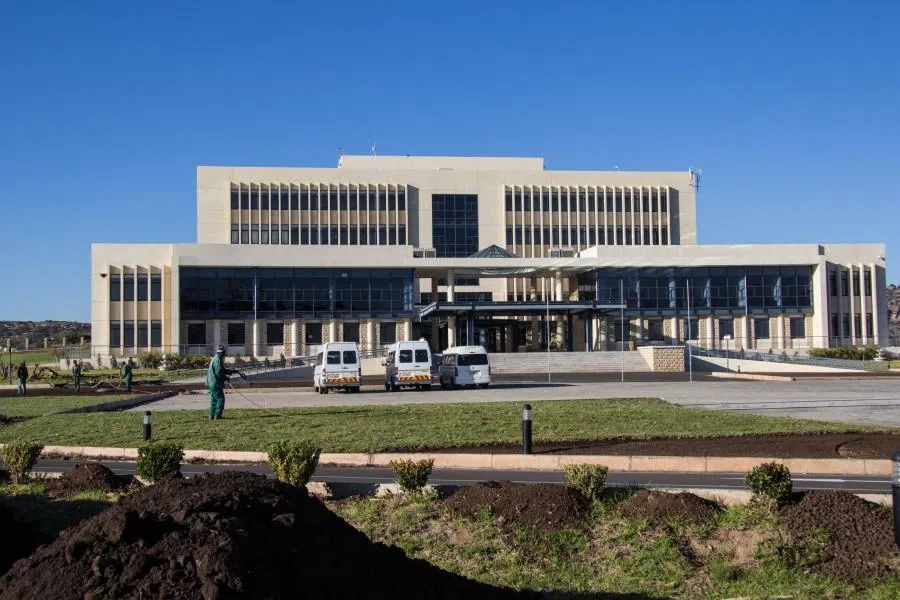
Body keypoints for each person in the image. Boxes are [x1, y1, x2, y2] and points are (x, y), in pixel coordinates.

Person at [207, 345, 238, 420]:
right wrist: (225, 378)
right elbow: (219, 373)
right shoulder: (218, 360)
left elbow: (221, 369)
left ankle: (211, 415)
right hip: (216, 383)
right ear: (222, 353)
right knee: (220, 399)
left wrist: (231, 371)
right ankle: (218, 415)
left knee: (213, 399)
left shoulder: (215, 358)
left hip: (211, 383)